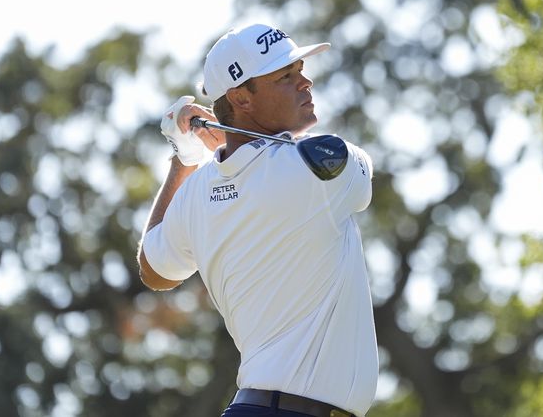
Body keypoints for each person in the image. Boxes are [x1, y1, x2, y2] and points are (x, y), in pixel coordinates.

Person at [136, 23, 378, 417]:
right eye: (286, 76)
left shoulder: (197, 192)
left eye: (299, 70)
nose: (306, 82)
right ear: (240, 98)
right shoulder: (319, 165)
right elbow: (342, 170)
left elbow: (154, 269)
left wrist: (185, 159)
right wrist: (243, 149)